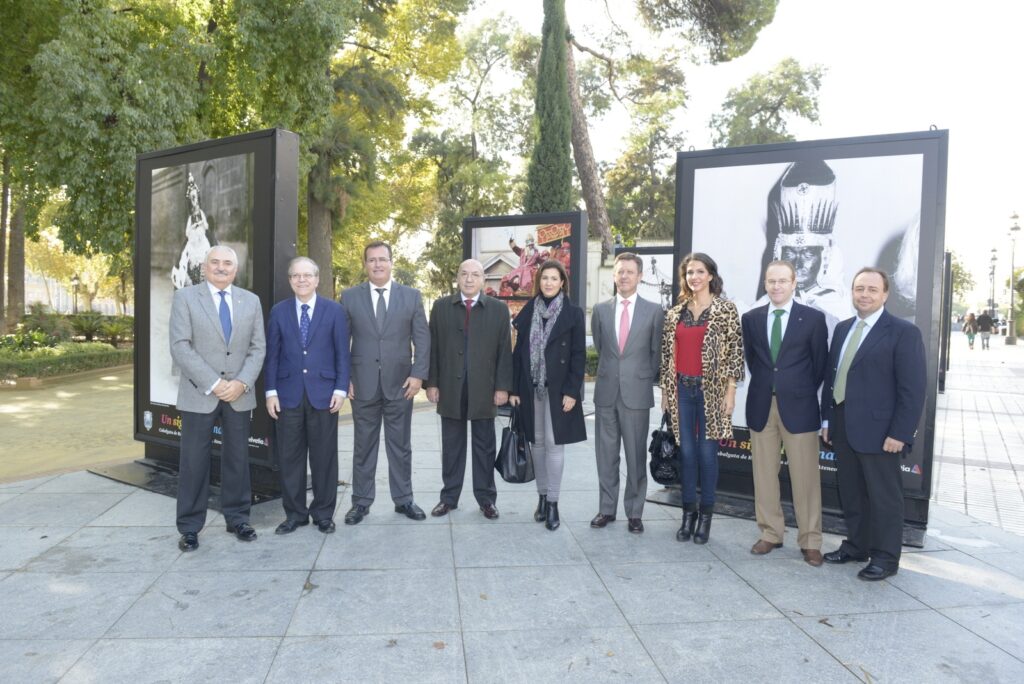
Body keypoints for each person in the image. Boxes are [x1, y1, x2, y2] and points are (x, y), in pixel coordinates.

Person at [821, 267, 926, 581]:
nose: (864, 294)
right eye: (859, 289)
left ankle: (885, 557)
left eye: (871, 289)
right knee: (852, 493)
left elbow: (913, 388)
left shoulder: (903, 332)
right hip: (842, 425)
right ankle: (857, 546)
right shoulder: (842, 329)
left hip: (881, 432)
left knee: (884, 497)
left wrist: (900, 432)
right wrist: (828, 419)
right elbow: (833, 377)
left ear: (885, 294)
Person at [169, 245, 266, 552]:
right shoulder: (185, 298)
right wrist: (214, 383)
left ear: (235, 270)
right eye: (215, 263)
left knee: (238, 459)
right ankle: (189, 527)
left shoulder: (250, 301)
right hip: (200, 393)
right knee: (194, 462)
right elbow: (181, 346)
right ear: (204, 267)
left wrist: (241, 383)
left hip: (239, 394)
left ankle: (238, 519)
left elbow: (257, 348)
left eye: (228, 263)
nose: (221, 268)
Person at [741, 260, 828, 566]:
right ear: (765, 284)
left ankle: (811, 540)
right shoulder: (751, 319)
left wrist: (795, 388)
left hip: (800, 407)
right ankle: (770, 533)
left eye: (782, 281)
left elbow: (820, 366)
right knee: (764, 475)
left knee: (805, 478)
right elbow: (754, 361)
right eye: (771, 281)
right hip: (761, 404)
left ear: (794, 284)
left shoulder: (814, 319)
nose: (776, 286)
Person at [339, 241, 430, 525]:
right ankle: (361, 503)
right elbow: (341, 343)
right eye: (371, 260)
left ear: (392, 262)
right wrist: (345, 380)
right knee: (363, 446)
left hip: (400, 385)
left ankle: (404, 500)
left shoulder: (412, 296)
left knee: (400, 446)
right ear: (365, 265)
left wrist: (418, 375)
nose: (377, 264)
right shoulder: (350, 297)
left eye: (382, 259)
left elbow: (422, 339)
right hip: (362, 384)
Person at [659, 253, 744, 544]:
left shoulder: (725, 309)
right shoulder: (675, 313)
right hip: (681, 390)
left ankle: (705, 516)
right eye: (689, 272)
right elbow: (667, 356)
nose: (693, 277)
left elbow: (734, 354)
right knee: (687, 454)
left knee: (707, 455)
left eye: (699, 271)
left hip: (713, 392)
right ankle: (688, 514)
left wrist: (730, 392)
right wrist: (667, 395)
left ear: (710, 275)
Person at [264, 257, 350, 535]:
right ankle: (295, 515)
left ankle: (323, 514)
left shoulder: (335, 311)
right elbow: (272, 355)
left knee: (324, 458)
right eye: (295, 276)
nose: (301, 280)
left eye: (307, 276)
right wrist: (270, 391)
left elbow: (342, 354)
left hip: (324, 396)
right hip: (287, 396)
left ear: (317, 279)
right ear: (290, 280)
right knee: (290, 459)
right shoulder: (279, 312)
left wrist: (340, 388)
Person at [425, 259, 513, 519]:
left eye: (475, 275)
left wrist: (502, 387)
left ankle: (486, 499)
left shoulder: (498, 309)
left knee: (484, 446)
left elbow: (504, 352)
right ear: (457, 277)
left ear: (483, 280)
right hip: (450, 388)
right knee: (452, 446)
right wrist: (433, 383)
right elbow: (433, 349)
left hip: (484, 389)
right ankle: (449, 498)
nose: (469, 279)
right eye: (464, 274)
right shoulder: (441, 307)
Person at [509, 260, 587, 531]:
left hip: (558, 391)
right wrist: (514, 389)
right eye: (545, 278)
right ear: (538, 282)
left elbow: (578, 356)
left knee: (555, 444)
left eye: (554, 278)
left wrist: (572, 391)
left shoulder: (573, 314)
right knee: (537, 444)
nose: (549, 283)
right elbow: (518, 354)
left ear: (562, 282)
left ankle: (553, 502)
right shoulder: (529, 310)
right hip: (530, 388)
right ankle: (541, 498)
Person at [590, 253, 665, 533]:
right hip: (606, 392)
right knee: (605, 455)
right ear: (614, 275)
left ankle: (635, 512)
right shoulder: (600, 310)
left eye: (630, 272)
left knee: (635, 456)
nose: (624, 276)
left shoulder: (654, 311)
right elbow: (602, 346)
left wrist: (641, 376)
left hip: (637, 393)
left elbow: (656, 352)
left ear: (640, 276)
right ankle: (606, 509)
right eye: (620, 271)